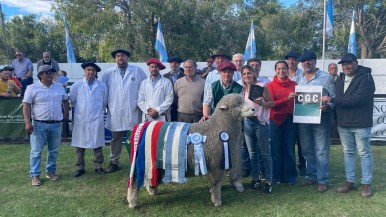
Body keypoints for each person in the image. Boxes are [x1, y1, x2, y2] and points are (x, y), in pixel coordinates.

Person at [322, 53, 375, 197]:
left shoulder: (366, 78)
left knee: (364, 153)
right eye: (343, 64)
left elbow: (357, 100)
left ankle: (366, 184)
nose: (346, 66)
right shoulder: (339, 79)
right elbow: (340, 100)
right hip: (343, 123)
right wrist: (328, 105)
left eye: (349, 63)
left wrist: (331, 99)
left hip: (360, 123)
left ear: (356, 63)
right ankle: (350, 182)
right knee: (348, 153)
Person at [100, 49, 147, 173]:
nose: (120, 58)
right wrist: (105, 107)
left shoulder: (137, 71)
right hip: (115, 110)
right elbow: (103, 91)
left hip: (133, 110)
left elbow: (145, 89)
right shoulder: (108, 73)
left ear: (127, 57)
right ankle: (113, 162)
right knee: (116, 138)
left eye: (123, 56)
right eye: (118, 56)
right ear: (115, 58)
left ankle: (136, 161)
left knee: (135, 137)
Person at [295, 51, 335, 193]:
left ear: (315, 61)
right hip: (303, 119)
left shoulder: (326, 77)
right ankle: (312, 175)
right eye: (304, 61)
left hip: (320, 119)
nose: (306, 63)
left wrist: (327, 106)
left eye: (309, 60)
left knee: (321, 150)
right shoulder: (298, 77)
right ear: (301, 63)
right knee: (307, 149)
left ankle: (322, 179)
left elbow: (333, 98)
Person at [22, 65, 69, 186]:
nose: (49, 74)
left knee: (54, 150)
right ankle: (35, 175)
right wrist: (27, 122)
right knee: (36, 151)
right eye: (46, 72)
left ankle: (51, 172)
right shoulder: (32, 88)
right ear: (40, 75)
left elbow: (65, 100)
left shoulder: (59, 86)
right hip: (39, 124)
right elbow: (26, 105)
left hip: (56, 124)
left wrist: (66, 113)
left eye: (52, 72)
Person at [201, 61, 244, 192]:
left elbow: (241, 106)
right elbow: (207, 102)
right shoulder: (213, 86)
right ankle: (217, 181)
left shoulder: (239, 87)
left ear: (233, 73)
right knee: (217, 153)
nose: (227, 74)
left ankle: (235, 179)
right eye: (224, 72)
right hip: (217, 124)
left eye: (230, 72)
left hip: (234, 124)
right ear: (220, 73)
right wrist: (205, 115)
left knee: (235, 151)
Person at [70, 62, 108, 177]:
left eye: (93, 70)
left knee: (97, 144)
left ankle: (98, 166)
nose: (90, 72)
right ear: (84, 71)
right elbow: (72, 100)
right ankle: (80, 167)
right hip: (81, 118)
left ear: (96, 72)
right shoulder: (77, 85)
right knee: (80, 145)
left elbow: (104, 102)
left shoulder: (101, 85)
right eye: (88, 70)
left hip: (96, 118)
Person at [241, 65, 274, 194]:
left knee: (265, 153)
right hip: (248, 122)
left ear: (254, 74)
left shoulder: (261, 86)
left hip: (261, 123)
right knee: (252, 153)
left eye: (249, 73)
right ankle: (255, 179)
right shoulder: (244, 89)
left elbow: (272, 103)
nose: (246, 76)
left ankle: (269, 181)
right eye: (244, 74)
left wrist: (263, 103)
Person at [267, 61, 298, 184]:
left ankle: (290, 176)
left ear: (287, 70)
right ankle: (276, 176)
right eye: (279, 69)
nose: (281, 71)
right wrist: (287, 99)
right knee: (275, 148)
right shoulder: (270, 85)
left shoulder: (294, 84)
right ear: (275, 70)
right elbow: (272, 104)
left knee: (289, 148)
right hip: (275, 119)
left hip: (290, 119)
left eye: (284, 68)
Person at [284, 51, 307, 177]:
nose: (291, 61)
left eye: (294, 59)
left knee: (303, 142)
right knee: (289, 142)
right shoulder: (281, 73)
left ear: (298, 61)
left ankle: (303, 166)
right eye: (289, 59)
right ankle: (290, 167)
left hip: (302, 111)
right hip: (287, 114)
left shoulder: (303, 75)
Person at [163, 55, 185, 122]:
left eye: (176, 63)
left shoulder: (184, 76)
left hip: (180, 105)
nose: (174, 65)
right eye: (172, 63)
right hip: (168, 106)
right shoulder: (165, 76)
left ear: (179, 64)